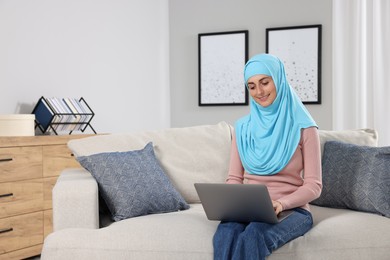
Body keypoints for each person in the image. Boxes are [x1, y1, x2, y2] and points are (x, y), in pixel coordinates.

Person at [213, 53, 322, 260]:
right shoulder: (242, 128)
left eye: (265, 82)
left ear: (278, 80)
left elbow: (314, 186)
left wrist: (282, 203)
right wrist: (231, 204)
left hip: (293, 210)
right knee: (224, 234)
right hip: (248, 209)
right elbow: (235, 178)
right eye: (252, 86)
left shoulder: (305, 127)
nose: (259, 91)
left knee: (254, 234)